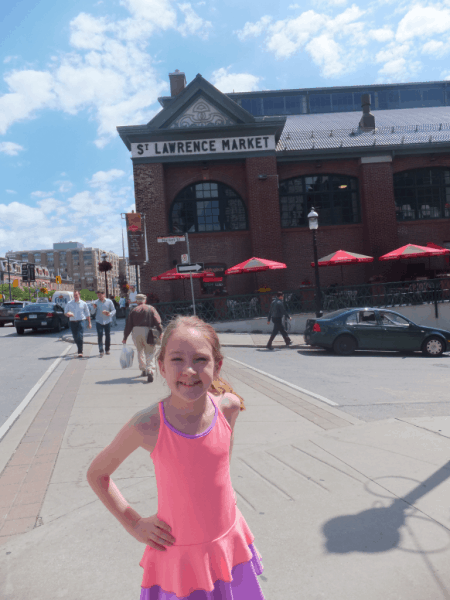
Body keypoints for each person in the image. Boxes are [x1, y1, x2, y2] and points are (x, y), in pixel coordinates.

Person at [86, 315, 265, 600]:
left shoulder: (228, 408)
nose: (189, 370)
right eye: (177, 359)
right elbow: (97, 474)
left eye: (201, 360)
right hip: (180, 558)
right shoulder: (147, 425)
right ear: (161, 367)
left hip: (227, 542)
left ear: (217, 366)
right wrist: (133, 522)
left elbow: (219, 471)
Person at [122, 294, 163, 382]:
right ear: (145, 300)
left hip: (135, 332)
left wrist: (125, 337)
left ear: (137, 301)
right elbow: (157, 321)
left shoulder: (133, 310)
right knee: (150, 351)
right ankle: (150, 370)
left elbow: (128, 325)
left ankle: (143, 369)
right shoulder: (151, 308)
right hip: (148, 331)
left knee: (140, 351)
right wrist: (160, 332)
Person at [64, 290, 92, 358]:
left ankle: (80, 351)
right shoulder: (69, 303)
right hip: (72, 322)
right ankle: (79, 347)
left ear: (79, 295)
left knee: (80, 336)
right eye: (74, 295)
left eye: (76, 295)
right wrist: (67, 314)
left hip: (81, 321)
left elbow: (88, 314)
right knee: (75, 337)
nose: (75, 296)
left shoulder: (83, 303)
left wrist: (89, 323)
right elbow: (65, 312)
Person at [92, 291, 116, 356]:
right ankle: (101, 351)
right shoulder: (96, 302)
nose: (99, 297)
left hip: (107, 321)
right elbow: (92, 313)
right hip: (99, 321)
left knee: (107, 336)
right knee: (100, 336)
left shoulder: (109, 301)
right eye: (98, 295)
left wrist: (110, 314)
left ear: (103, 294)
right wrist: (93, 308)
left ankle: (107, 349)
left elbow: (114, 310)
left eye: (100, 295)